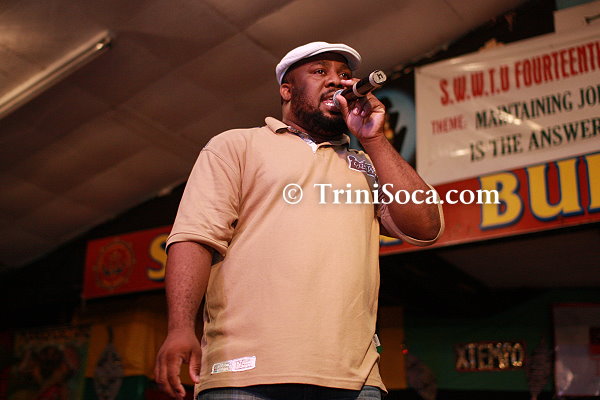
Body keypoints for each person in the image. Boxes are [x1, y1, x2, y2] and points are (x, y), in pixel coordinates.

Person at [154, 41, 443, 400]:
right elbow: (194, 238)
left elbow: (426, 228)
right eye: (320, 72)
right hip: (245, 372)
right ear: (287, 90)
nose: (337, 81)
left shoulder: (368, 165)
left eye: (344, 74)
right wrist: (180, 327)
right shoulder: (236, 145)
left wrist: (374, 140)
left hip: (354, 379)